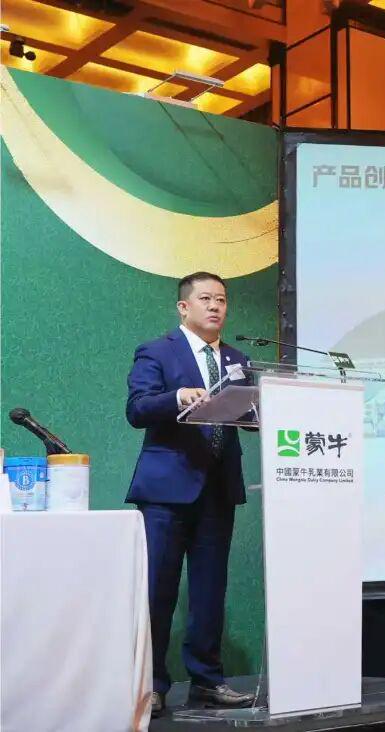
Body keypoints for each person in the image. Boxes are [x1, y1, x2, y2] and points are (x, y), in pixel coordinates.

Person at [126, 272, 255, 717]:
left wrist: (260, 411)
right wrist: (178, 396)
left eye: (221, 299)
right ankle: (152, 685)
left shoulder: (237, 359)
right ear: (184, 307)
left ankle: (207, 681)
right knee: (157, 591)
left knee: (209, 592)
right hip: (167, 492)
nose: (215, 306)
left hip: (218, 490)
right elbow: (137, 409)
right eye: (205, 299)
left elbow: (247, 418)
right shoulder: (157, 351)